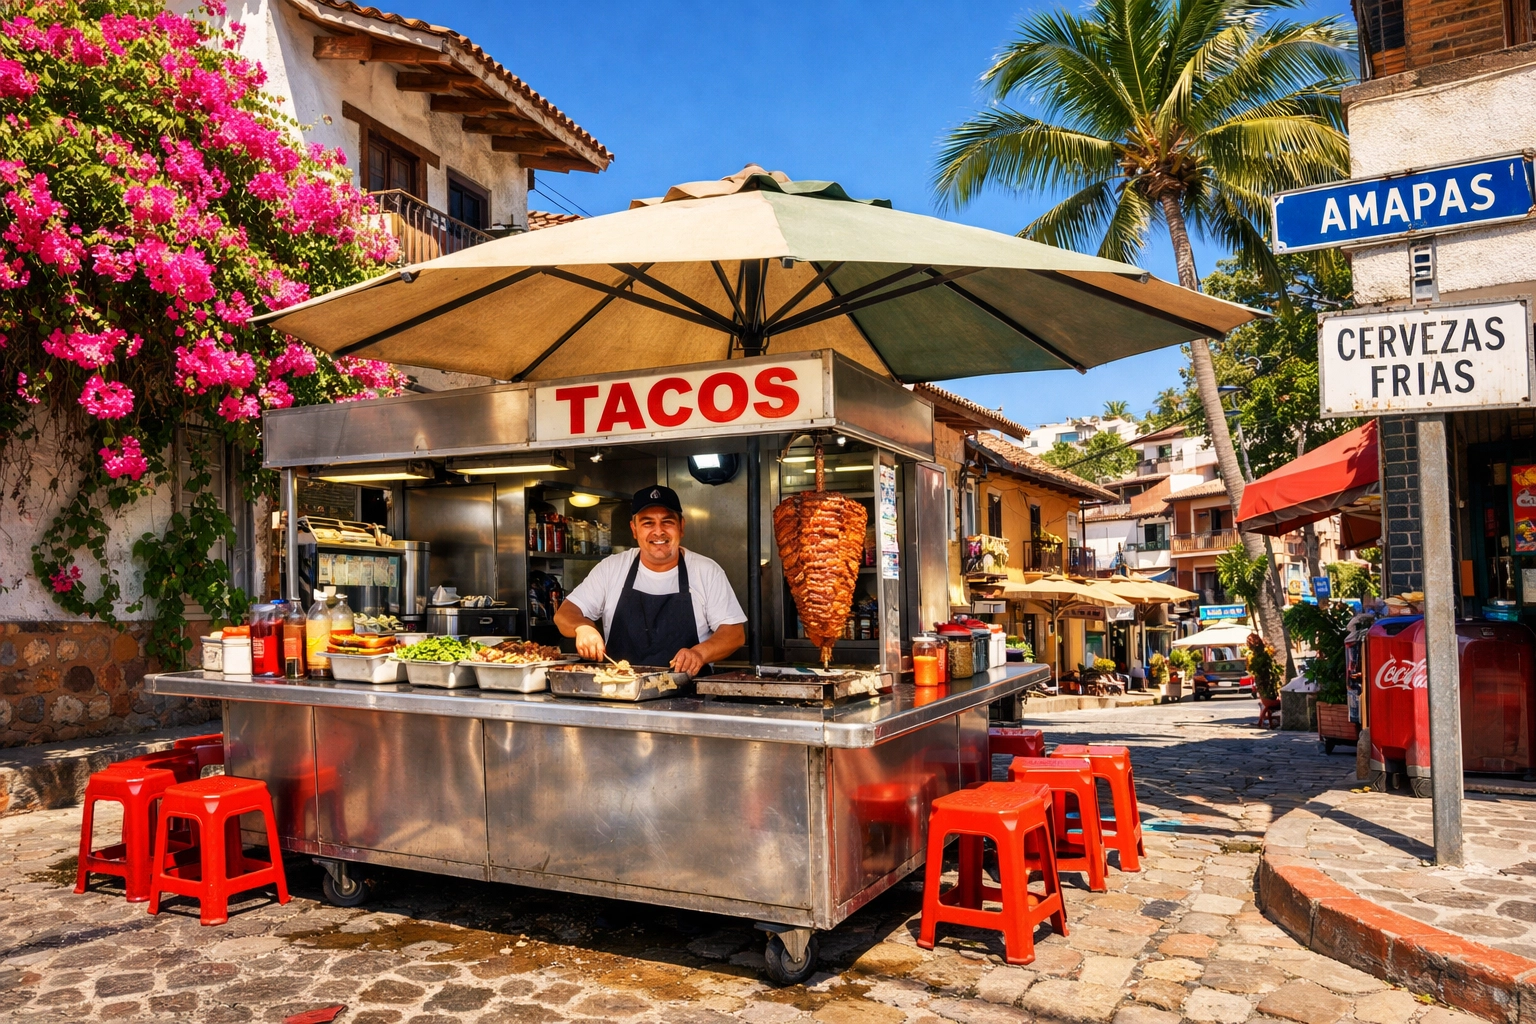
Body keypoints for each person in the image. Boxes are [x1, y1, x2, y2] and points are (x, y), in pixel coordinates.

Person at [554, 485, 746, 675]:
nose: (658, 531)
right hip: (620, 692)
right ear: (634, 529)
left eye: (667, 522)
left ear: (681, 527)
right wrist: (583, 628)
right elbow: (565, 614)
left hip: (689, 697)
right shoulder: (611, 568)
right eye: (647, 523)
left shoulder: (707, 571)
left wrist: (699, 653)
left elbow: (734, 634)